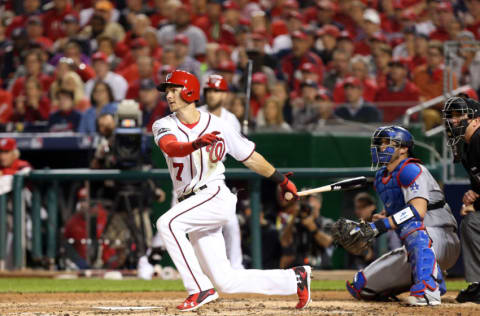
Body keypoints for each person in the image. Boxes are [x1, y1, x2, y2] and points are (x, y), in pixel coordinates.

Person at [152, 70, 310, 311]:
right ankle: (294, 279)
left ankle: (198, 289)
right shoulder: (163, 124)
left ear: (189, 91)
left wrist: (281, 180)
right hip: (192, 203)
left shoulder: (218, 125)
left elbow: (250, 157)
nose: (169, 96)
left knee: (167, 224)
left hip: (213, 195)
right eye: (167, 91)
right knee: (226, 281)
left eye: (174, 90)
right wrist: (194, 144)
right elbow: (171, 147)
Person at [342, 126, 460, 306]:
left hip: (442, 239)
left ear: (404, 148)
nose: (381, 147)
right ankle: (434, 278)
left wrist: (381, 226)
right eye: (379, 143)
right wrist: (379, 221)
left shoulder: (411, 169)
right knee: (362, 287)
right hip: (414, 248)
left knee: (412, 225)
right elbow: (395, 216)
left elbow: (417, 211)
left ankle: (428, 290)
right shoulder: (382, 177)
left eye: (387, 143)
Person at [442, 96, 480, 303]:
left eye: (460, 115)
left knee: (472, 222)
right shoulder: (469, 146)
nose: (454, 120)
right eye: (451, 116)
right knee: (473, 222)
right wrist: (474, 194)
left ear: (477, 120)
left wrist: (476, 204)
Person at [279, 193, 334, 270]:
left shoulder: (326, 222)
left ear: (319, 204)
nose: (307, 203)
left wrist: (312, 227)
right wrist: (294, 216)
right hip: (298, 269)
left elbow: (327, 242)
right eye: (305, 201)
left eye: (311, 200)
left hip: (321, 269)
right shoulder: (295, 223)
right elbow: (284, 242)